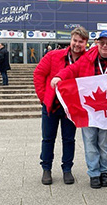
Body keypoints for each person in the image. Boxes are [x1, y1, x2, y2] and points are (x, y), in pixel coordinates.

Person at [51, 30, 107, 189]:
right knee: (90, 141)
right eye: (101, 42)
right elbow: (72, 69)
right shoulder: (88, 58)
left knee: (105, 142)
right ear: (97, 43)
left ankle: (105, 172)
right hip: (90, 108)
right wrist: (60, 77)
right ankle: (94, 173)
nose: (105, 46)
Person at [34, 27, 89, 185]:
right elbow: (39, 74)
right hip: (51, 105)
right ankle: (46, 169)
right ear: (70, 40)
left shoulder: (87, 59)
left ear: (86, 43)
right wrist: (44, 97)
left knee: (69, 139)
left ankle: (67, 169)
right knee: (48, 139)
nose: (77, 44)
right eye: (75, 40)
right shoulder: (53, 55)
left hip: (71, 108)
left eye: (81, 41)